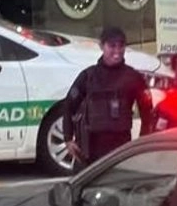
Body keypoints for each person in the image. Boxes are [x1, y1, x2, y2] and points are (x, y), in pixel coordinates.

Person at [61, 26, 155, 169]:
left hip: (121, 148)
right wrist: (68, 138)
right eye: (112, 46)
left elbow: (147, 112)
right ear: (102, 46)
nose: (117, 51)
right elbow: (69, 106)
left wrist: (143, 141)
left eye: (121, 46)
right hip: (91, 149)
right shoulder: (88, 76)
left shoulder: (134, 77)